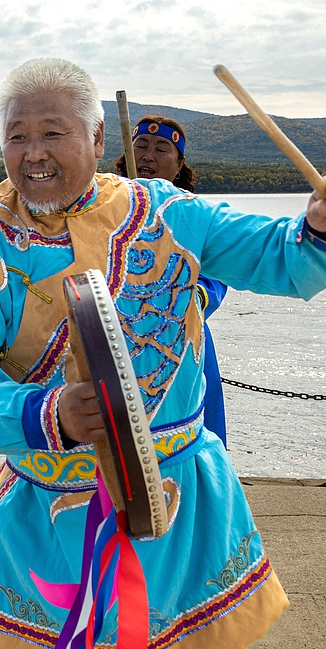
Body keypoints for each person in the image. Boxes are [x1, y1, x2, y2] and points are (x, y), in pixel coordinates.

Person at [0, 58, 326, 649]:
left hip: (179, 507)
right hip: (48, 509)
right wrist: (44, 412)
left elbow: (281, 258)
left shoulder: (167, 213)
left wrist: (321, 230)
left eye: (53, 132)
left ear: (97, 137)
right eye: (17, 136)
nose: (33, 153)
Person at [117, 117, 229, 444]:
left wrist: (185, 300)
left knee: (187, 443)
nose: (148, 156)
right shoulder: (101, 210)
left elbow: (218, 275)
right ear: (127, 153)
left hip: (182, 336)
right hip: (117, 340)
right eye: (141, 147)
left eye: (161, 149)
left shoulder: (195, 213)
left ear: (179, 163)